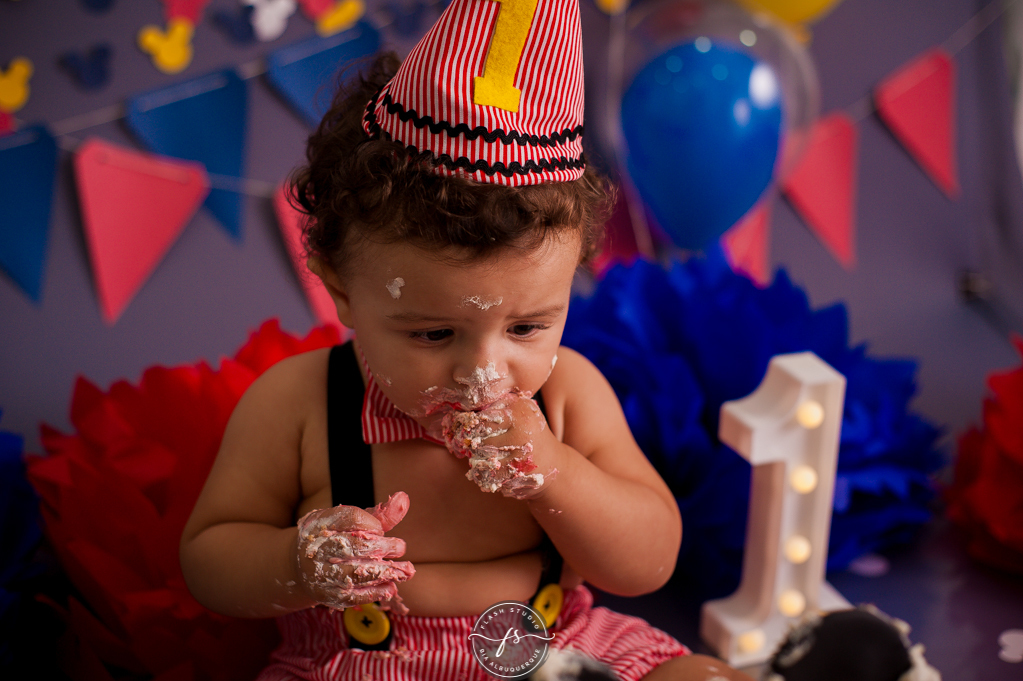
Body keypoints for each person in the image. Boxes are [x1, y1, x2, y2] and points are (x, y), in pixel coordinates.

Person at [179, 0, 753, 679]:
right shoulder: (299, 404)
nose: (483, 370)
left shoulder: (567, 396)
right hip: (364, 661)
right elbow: (209, 561)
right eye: (432, 332)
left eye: (526, 327)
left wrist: (555, 474)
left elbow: (647, 563)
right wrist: (300, 563)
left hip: (556, 649)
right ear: (340, 287)